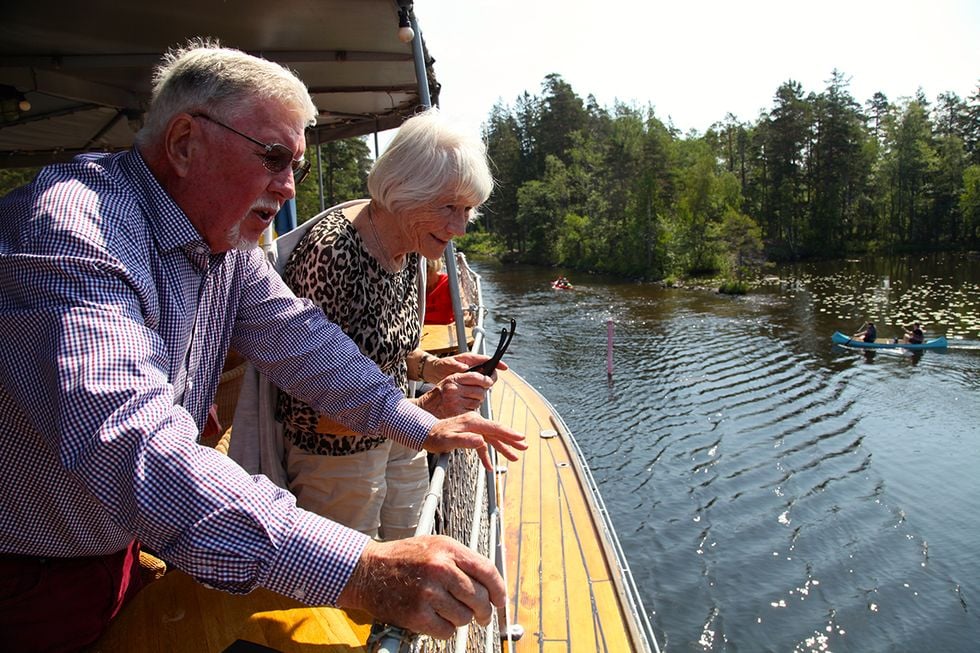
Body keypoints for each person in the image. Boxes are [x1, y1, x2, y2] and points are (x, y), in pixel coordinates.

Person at [0, 40, 525, 651]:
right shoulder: (72, 233)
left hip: (114, 549)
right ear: (185, 142)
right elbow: (129, 446)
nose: (285, 186)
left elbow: (301, 341)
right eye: (273, 157)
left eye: (296, 167)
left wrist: (415, 422)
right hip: (29, 575)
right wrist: (361, 569)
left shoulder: (223, 244)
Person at [278, 108, 499, 540]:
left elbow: (386, 352)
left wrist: (433, 368)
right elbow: (306, 402)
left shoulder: (413, 243)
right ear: (403, 190)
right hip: (336, 459)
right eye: (449, 207)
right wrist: (427, 409)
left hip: (399, 433)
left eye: (468, 210)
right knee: (351, 589)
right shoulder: (334, 255)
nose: (460, 228)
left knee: (411, 547)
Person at [424, 256, 456, 325]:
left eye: (427, 271)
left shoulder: (449, 283)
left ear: (434, 269)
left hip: (445, 330)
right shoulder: (415, 286)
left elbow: (465, 314)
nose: (424, 277)